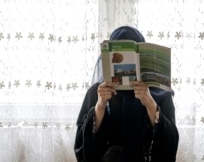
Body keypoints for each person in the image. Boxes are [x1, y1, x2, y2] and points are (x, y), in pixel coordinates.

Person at [74, 26, 179, 162]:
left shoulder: (160, 94)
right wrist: (100, 106)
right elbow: (81, 147)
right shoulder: (97, 92)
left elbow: (170, 145)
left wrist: (150, 103)